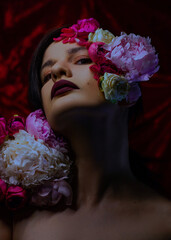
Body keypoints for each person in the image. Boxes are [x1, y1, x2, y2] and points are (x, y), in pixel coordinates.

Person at [12, 18, 171, 240]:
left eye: (81, 59)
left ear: (128, 87)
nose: (57, 70)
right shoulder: (15, 215)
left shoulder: (164, 223)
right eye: (46, 76)